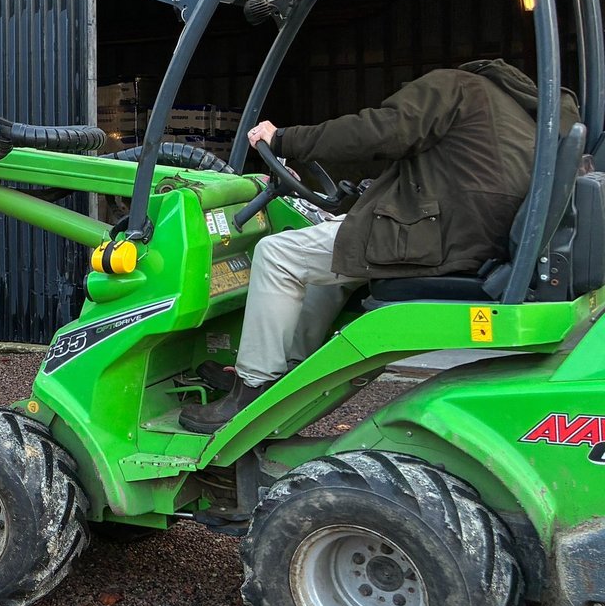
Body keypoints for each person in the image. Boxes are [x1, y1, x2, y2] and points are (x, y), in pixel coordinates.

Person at [185, 58, 574, 433]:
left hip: (443, 239)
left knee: (277, 254)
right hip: (474, 236)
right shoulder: (519, 112)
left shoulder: (458, 86)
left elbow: (382, 130)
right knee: (330, 255)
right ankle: (292, 371)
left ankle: (253, 388)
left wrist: (285, 139)